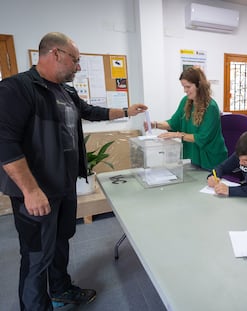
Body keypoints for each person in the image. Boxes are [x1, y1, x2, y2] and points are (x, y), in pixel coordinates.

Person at [0, 32, 147, 311]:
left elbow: (91, 111)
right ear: (55, 54)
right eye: (75, 60)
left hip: (64, 186)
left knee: (60, 243)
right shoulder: (17, 88)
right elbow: (5, 144)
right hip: (37, 192)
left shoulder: (66, 92)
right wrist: (30, 191)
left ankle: (60, 289)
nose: (78, 67)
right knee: (35, 257)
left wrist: (127, 110)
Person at [148, 66, 227, 170]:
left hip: (211, 159)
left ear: (199, 85)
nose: (185, 90)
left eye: (188, 87)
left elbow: (202, 137)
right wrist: (154, 124)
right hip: (195, 158)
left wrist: (177, 135)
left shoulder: (211, 107)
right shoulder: (186, 101)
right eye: (183, 87)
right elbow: (173, 123)